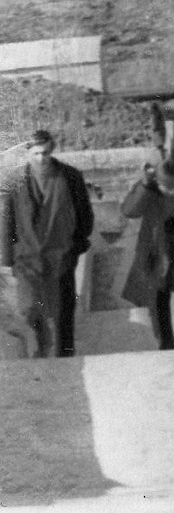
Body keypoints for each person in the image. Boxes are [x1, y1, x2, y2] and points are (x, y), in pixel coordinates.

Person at [0, 129, 93, 359]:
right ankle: (39, 354)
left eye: (45, 153)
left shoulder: (70, 177)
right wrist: (8, 258)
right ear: (28, 154)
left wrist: (76, 247)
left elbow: (84, 214)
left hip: (61, 256)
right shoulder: (16, 181)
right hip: (27, 258)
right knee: (30, 310)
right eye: (36, 153)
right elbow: (8, 222)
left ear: (51, 150)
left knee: (63, 313)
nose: (41, 158)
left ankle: (66, 359)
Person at [121, 159, 174, 350]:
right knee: (157, 302)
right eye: (167, 188)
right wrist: (144, 185)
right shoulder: (147, 189)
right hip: (155, 251)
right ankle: (165, 346)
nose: (172, 191)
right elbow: (128, 211)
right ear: (157, 181)